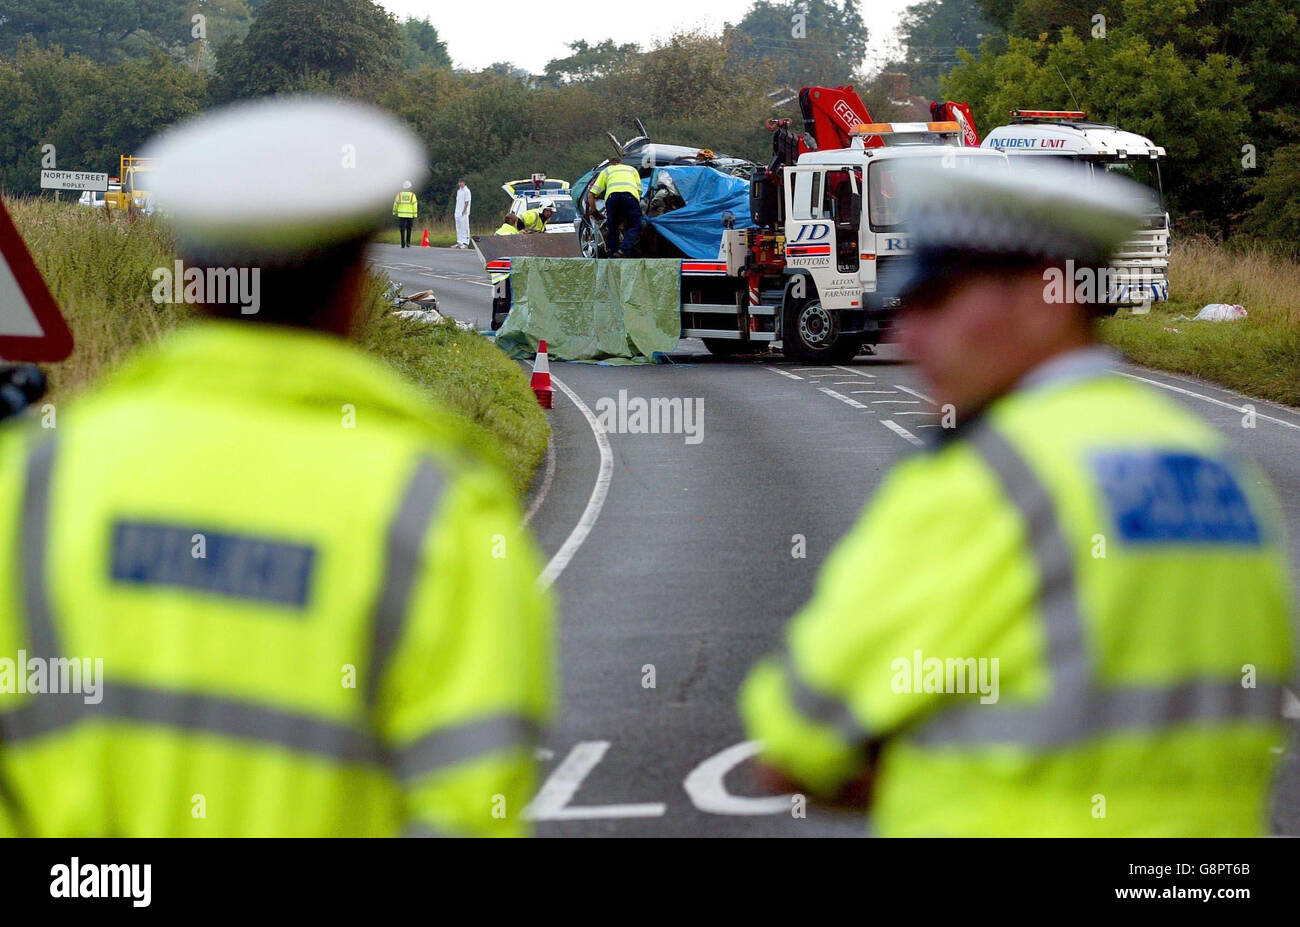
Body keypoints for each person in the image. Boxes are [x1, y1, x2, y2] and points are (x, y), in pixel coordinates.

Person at [0, 97, 553, 837]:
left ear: (190, 273)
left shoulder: (38, 479)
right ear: (359, 278)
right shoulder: (438, 509)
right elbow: (469, 807)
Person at [738, 159, 1293, 837]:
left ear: (1042, 299)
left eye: (937, 300)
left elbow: (798, 740)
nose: (906, 336)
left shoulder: (984, 479)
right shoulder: (1217, 469)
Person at [587, 156, 642, 257]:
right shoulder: (632, 170)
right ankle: (623, 250)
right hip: (630, 197)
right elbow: (639, 191)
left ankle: (612, 253)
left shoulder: (606, 171)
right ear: (620, 163)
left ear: (610, 164)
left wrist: (594, 211)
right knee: (634, 225)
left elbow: (591, 194)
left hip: (612, 198)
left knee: (612, 226)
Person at [392, 180, 418, 248]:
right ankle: (408, 243)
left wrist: (394, 212)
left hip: (401, 215)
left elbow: (395, 204)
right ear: (410, 187)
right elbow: (415, 205)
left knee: (402, 229)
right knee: (409, 229)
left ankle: (402, 243)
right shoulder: (412, 195)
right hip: (410, 215)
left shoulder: (399, 195)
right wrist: (415, 215)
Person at [454, 178, 472, 249]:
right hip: (457, 212)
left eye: (461, 182)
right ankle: (459, 242)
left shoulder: (467, 191)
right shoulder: (459, 191)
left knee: (465, 227)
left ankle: (465, 242)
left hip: (463, 213)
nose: (460, 184)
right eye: (459, 182)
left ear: (464, 183)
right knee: (458, 227)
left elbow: (467, 202)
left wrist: (464, 211)